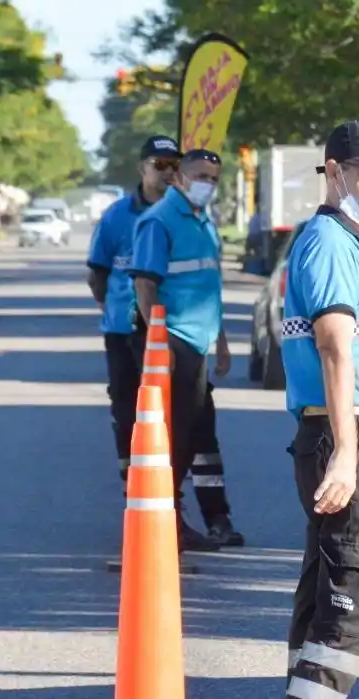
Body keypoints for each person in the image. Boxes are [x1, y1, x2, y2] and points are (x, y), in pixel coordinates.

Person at [281, 120, 359, 699]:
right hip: (352, 429)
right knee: (352, 601)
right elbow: (334, 346)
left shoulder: (347, 243)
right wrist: (348, 453)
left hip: (344, 429)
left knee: (325, 592)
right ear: (334, 172)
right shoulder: (331, 242)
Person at [129, 148, 244, 552]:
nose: (206, 184)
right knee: (177, 435)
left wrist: (221, 341)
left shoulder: (204, 221)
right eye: (199, 176)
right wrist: (159, 342)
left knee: (196, 432)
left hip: (198, 341)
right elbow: (144, 285)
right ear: (179, 176)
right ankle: (167, 519)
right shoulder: (159, 221)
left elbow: (209, 287)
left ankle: (191, 519)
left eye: (213, 178)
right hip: (174, 340)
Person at [86, 135, 180, 487]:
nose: (168, 172)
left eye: (175, 165)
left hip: (173, 328)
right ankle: (132, 474)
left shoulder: (184, 214)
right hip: (123, 329)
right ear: (143, 168)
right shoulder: (116, 215)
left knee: (171, 407)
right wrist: (109, 306)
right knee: (126, 403)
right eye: (160, 164)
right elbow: (97, 273)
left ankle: (170, 482)